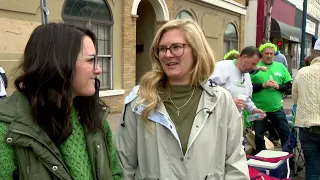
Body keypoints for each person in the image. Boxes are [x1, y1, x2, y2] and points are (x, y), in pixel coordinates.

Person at [114, 19, 249, 179]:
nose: (167, 54)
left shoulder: (221, 101)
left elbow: (235, 165)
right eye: (162, 49)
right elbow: (123, 166)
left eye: (176, 47)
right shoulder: (139, 101)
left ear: (196, 50)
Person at [0, 23, 122, 179]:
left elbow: (115, 173)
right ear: (59, 65)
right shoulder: (8, 129)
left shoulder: (95, 118)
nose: (98, 69)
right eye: (91, 60)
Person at [251, 42, 291, 153]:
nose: (269, 56)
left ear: (274, 54)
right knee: (258, 135)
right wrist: (262, 85)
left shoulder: (281, 67)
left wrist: (278, 86)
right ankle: (260, 160)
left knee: (285, 134)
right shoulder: (254, 68)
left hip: (276, 108)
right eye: (266, 53)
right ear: (261, 54)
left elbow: (289, 87)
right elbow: (248, 87)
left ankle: (289, 162)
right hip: (258, 109)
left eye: (271, 54)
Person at [209, 46, 266, 119]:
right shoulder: (222, 67)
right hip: (217, 118)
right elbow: (206, 91)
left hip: (235, 120)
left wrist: (253, 109)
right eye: (253, 63)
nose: (254, 67)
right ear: (244, 57)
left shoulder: (247, 75)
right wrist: (229, 101)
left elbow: (245, 98)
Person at [292, 45, 320, 180]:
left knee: (313, 167)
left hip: (307, 127)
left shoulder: (302, 72)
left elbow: (295, 98)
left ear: (315, 53)